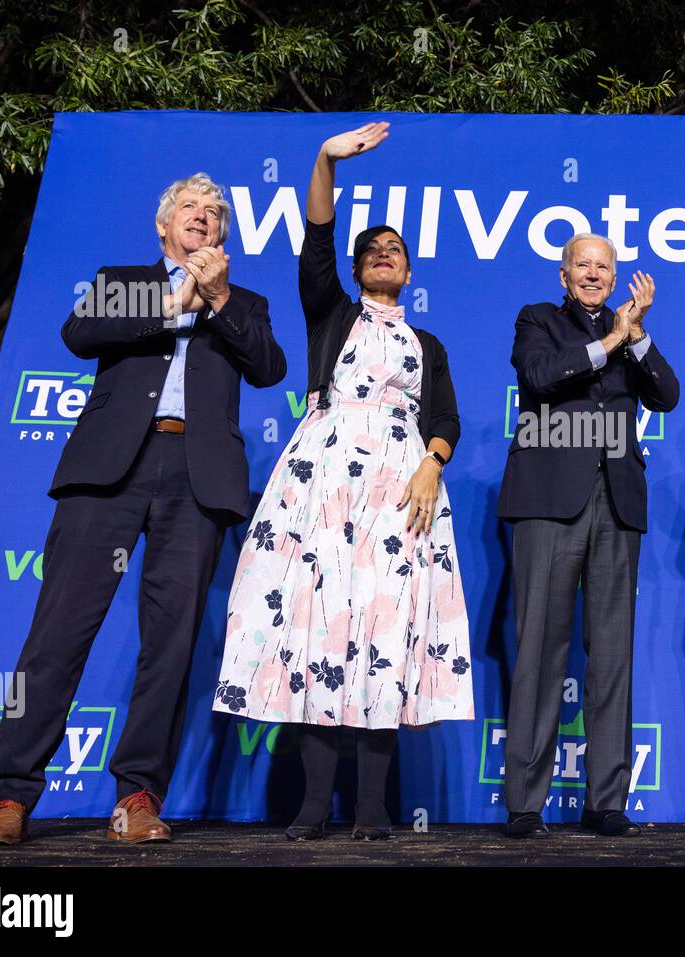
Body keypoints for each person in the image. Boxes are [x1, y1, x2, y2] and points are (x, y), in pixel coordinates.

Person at [0, 173, 287, 846]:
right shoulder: (126, 278)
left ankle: (138, 795)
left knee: (169, 647)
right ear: (164, 227)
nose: (202, 218)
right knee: (57, 636)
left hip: (195, 479)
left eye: (214, 215)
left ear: (222, 238)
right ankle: (8, 798)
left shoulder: (245, 301)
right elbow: (80, 332)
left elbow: (269, 368)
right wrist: (175, 300)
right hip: (110, 471)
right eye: (190, 210)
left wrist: (218, 296)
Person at [213, 122, 473, 841]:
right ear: (358, 271)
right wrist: (325, 158)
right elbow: (319, 235)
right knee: (319, 631)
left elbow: (445, 414)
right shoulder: (329, 309)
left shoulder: (430, 344)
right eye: (373, 251)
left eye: (395, 251)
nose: (383, 256)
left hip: (403, 488)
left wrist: (432, 460)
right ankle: (310, 805)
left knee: (384, 635)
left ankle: (371, 809)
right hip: (322, 483)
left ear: (409, 272)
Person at [497, 233, 679, 838]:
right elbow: (541, 376)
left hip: (617, 502)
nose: (595, 274)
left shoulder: (628, 334)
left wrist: (639, 335)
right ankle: (525, 803)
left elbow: (667, 394)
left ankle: (607, 802)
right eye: (584, 265)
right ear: (564, 274)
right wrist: (609, 342)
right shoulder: (538, 319)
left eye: (605, 266)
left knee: (612, 657)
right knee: (541, 653)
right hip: (550, 498)